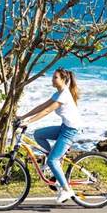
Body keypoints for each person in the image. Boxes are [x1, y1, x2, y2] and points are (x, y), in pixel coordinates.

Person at [19, 69, 84, 205]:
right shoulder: (58, 93)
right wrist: (23, 117)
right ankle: (51, 163)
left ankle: (67, 189)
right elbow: (42, 106)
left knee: (53, 161)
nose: (52, 79)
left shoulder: (64, 95)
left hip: (70, 131)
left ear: (63, 80)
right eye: (53, 77)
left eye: (55, 77)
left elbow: (48, 110)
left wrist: (29, 122)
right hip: (64, 128)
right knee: (38, 135)